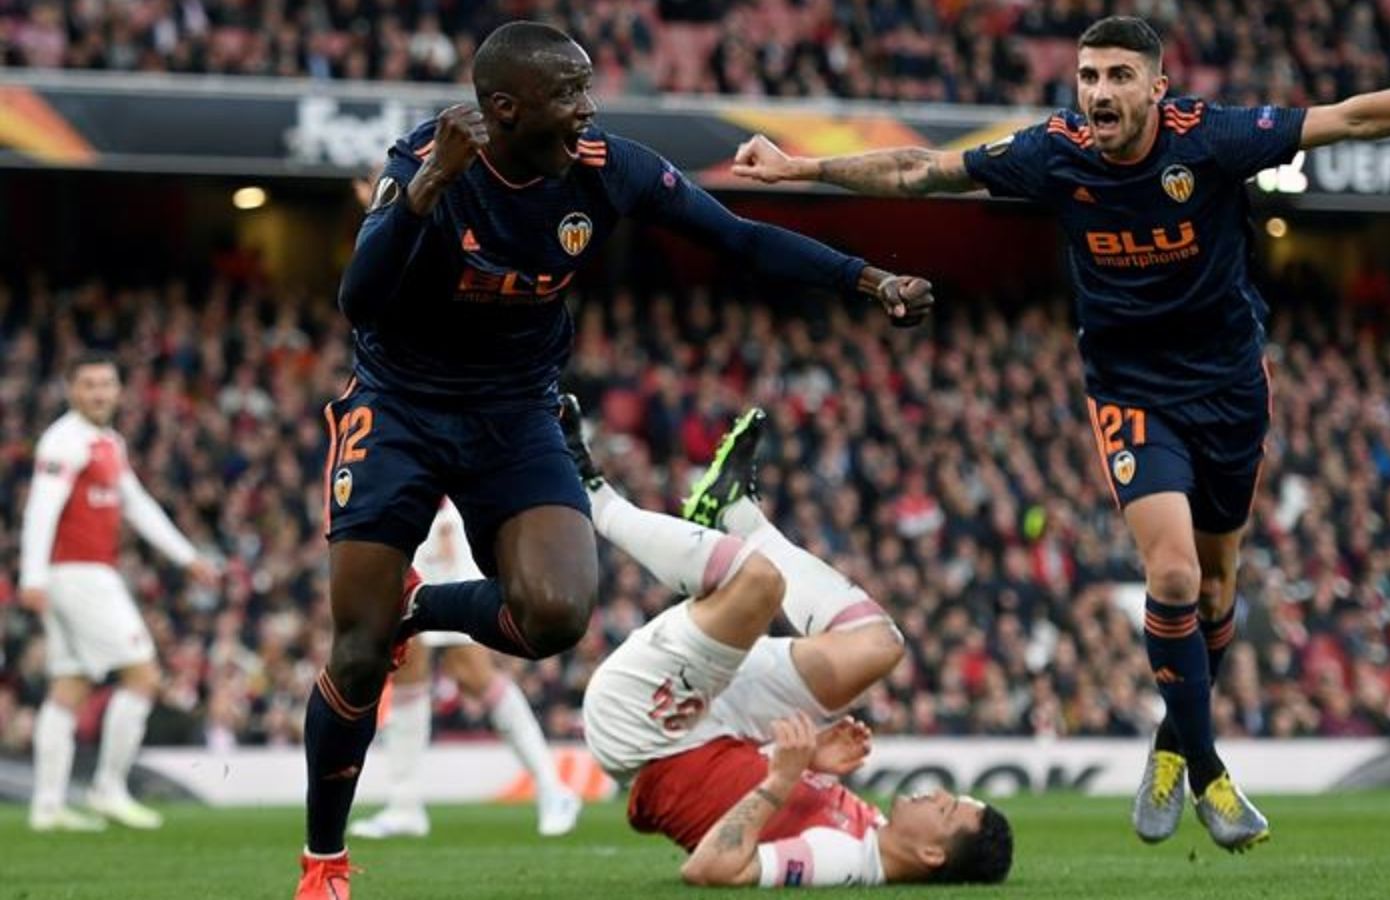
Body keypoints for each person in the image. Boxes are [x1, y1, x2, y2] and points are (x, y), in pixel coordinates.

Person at [728, 15, 1390, 851]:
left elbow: (1353, 117)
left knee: (1220, 590)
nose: (1099, 93)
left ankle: (1171, 743)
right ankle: (1209, 772)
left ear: (1158, 88)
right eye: (1088, 76)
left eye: (1119, 76)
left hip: (1230, 388)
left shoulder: (1214, 140)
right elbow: (921, 169)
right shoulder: (1054, 151)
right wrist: (804, 167)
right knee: (1172, 572)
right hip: (1130, 390)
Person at [301, 19, 935, 898]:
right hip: (399, 409)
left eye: (587, 91)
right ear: (505, 109)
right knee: (359, 651)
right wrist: (423, 192)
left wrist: (871, 281)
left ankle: (423, 605)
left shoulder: (607, 168)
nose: (587, 112)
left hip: (516, 413)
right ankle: (324, 863)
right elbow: (359, 301)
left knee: (555, 616)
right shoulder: (427, 161)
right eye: (568, 96)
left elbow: (739, 238)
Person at [566, 397, 1013, 887]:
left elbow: (709, 870)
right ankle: (735, 513)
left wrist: (783, 777)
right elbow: (747, 792)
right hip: (719, 727)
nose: (934, 794)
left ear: (931, 853)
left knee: (757, 583)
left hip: (649, 730)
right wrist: (810, 757)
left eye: (945, 810)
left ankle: (591, 496)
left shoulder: (844, 860)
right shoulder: (871, 832)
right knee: (878, 644)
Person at [19, 353, 219, 832]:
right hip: (79, 575)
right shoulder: (64, 441)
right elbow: (41, 509)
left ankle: (47, 807)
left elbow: (137, 504)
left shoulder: (108, 442)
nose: (100, 393)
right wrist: (31, 577)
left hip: (81, 574)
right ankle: (108, 788)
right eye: (89, 385)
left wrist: (186, 556)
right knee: (143, 676)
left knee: (69, 686)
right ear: (71, 390)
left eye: (107, 384)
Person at [348, 499, 582, 841]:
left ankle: (553, 788)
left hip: (438, 516)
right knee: (407, 660)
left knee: (470, 669)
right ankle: (405, 804)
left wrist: (441, 508)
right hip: (406, 518)